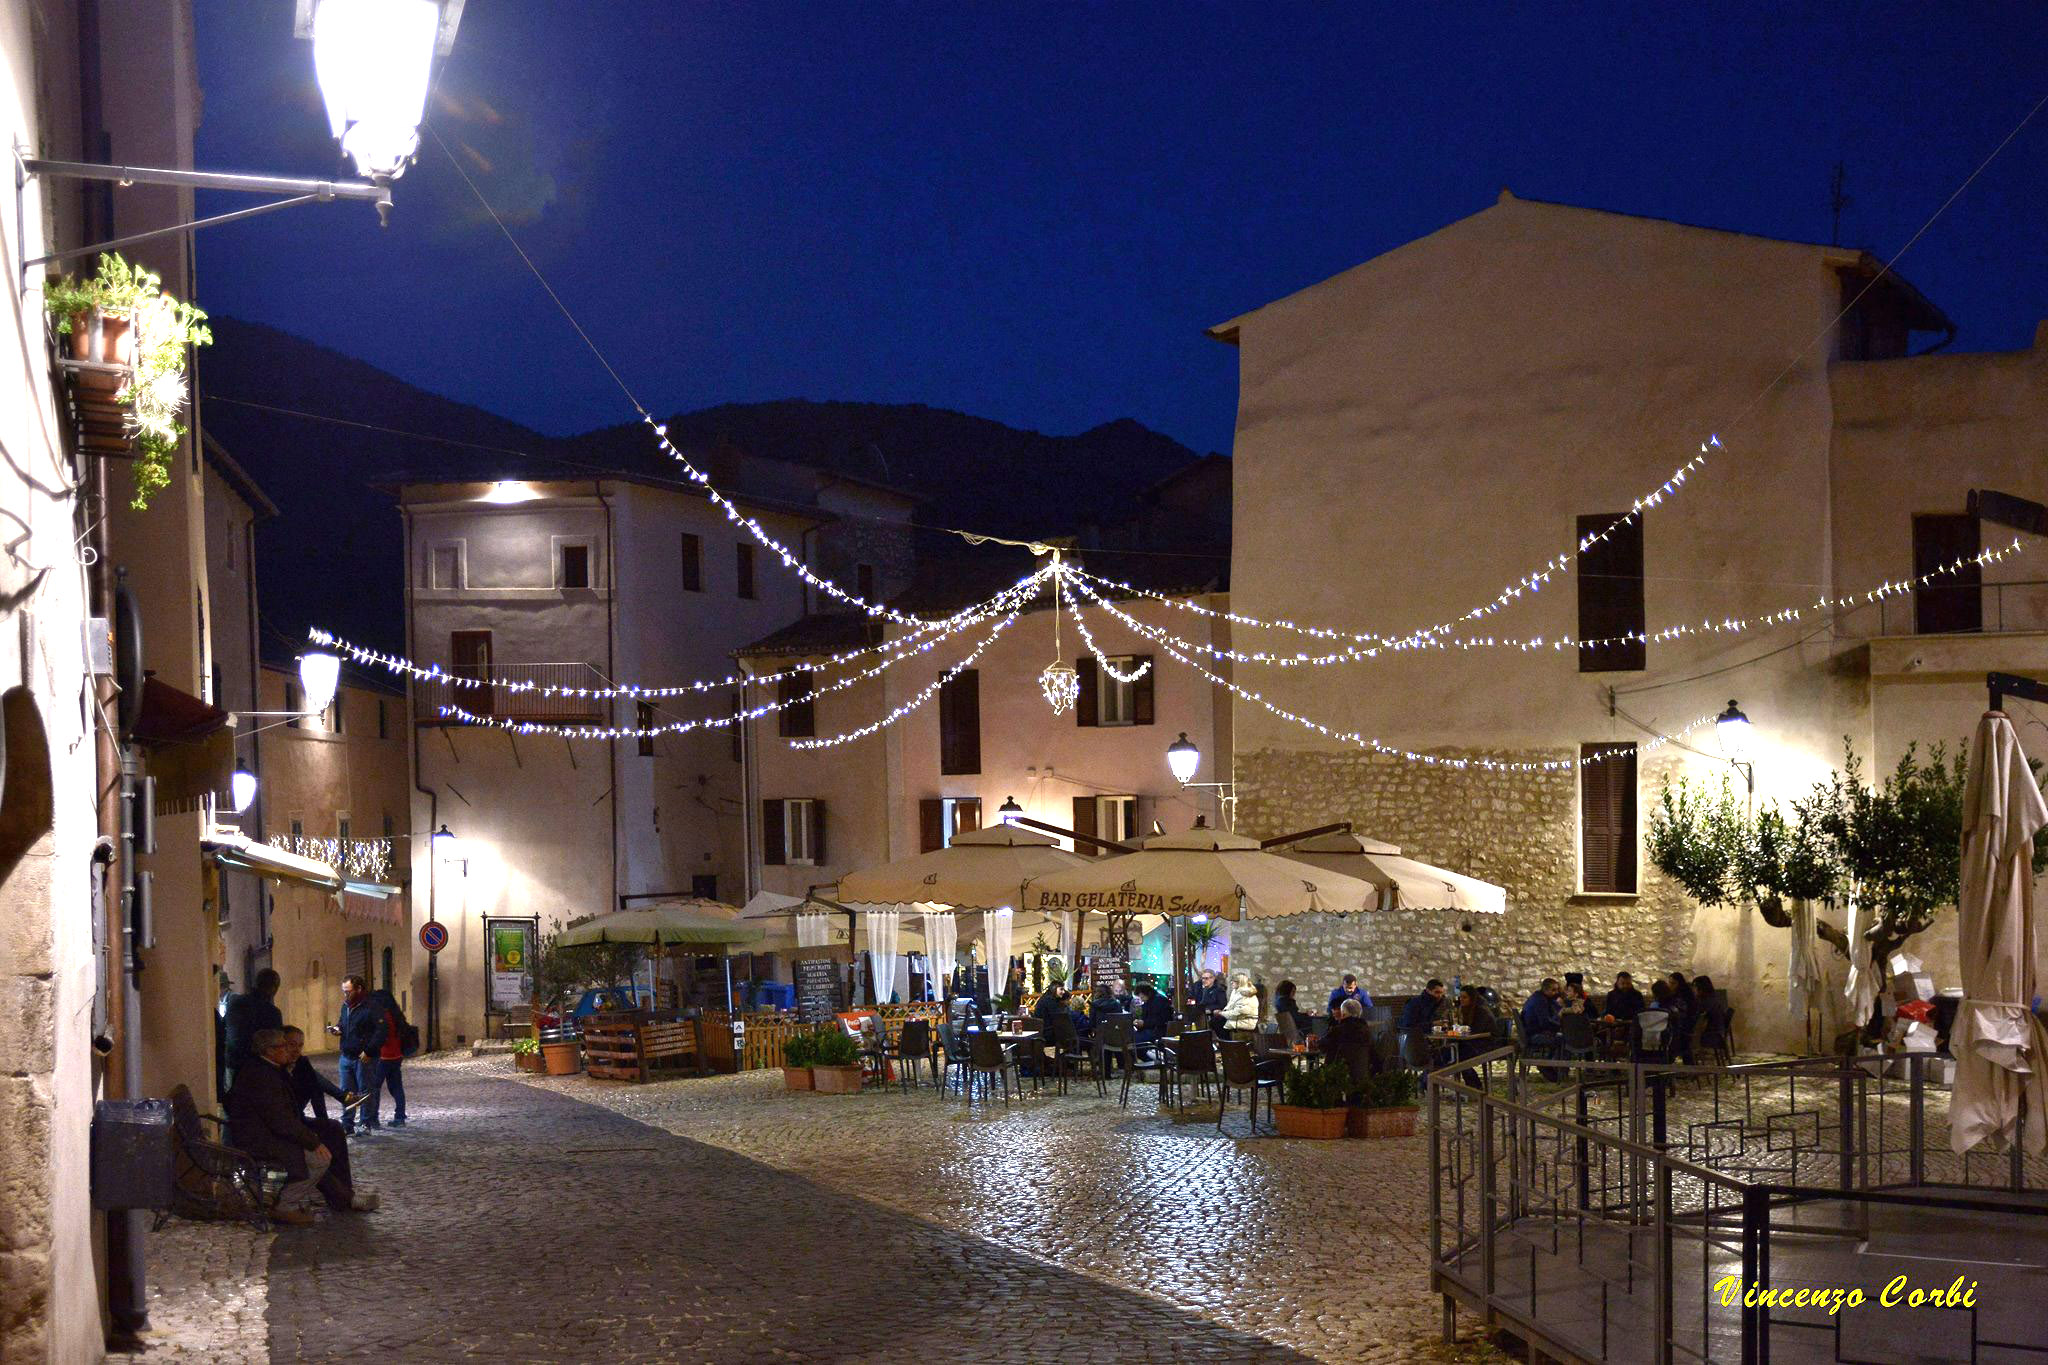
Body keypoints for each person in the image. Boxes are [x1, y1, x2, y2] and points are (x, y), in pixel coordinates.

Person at [225, 1028, 340, 1226]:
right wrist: (312, 1142)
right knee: (319, 1159)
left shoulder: (266, 1069)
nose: (289, 1050)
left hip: (262, 1132)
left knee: (328, 1137)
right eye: (284, 1046)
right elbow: (280, 1120)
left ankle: (339, 1195)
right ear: (270, 1051)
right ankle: (286, 1206)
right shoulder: (263, 1076)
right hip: (259, 1138)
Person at [278, 1027, 378, 1213]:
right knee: (316, 1154)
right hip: (283, 1128)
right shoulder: (275, 1070)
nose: (296, 1050)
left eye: (300, 1045)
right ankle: (344, 1199)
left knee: (333, 1129)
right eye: (291, 1045)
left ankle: (346, 1190)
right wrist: (313, 1139)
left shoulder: (301, 1064)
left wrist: (322, 1123)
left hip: (296, 1121)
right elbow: (280, 1118)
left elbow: (315, 1090)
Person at [335, 976, 388, 1136]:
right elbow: (342, 1023)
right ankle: (347, 1124)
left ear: (359, 989)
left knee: (365, 1091)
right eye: (344, 992)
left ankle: (366, 1123)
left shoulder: (372, 1007)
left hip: (364, 1057)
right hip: (346, 1055)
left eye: (348, 992)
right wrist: (337, 1029)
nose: (345, 995)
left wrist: (369, 1051)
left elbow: (381, 1031)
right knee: (346, 1091)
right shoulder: (346, 1006)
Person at [221, 969, 283, 1093]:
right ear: (274, 988)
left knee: (232, 1099)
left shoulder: (235, 1002)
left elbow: (224, 1026)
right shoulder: (272, 1012)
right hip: (256, 1065)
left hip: (232, 1060)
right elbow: (275, 1042)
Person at [1321, 997, 1379, 1098]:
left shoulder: (1337, 1031)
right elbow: (1374, 1055)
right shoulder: (1367, 1033)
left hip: (1338, 1075)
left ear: (1343, 1014)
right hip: (1362, 1074)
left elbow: (1322, 1046)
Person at [1520, 978, 1564, 1056]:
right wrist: (1561, 1026)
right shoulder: (1540, 1001)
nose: (1556, 992)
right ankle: (1552, 1065)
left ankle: (1550, 1064)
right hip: (1533, 1035)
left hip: (1531, 1033)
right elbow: (1544, 1023)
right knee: (1564, 1039)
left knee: (1561, 1036)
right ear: (1545, 990)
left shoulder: (1539, 997)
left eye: (1557, 990)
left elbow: (1557, 1008)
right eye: (1553, 990)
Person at [1219, 971, 1261, 1040]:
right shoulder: (1236, 992)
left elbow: (1238, 1012)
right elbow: (1230, 1006)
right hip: (1237, 1025)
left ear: (1240, 982)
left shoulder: (1246, 995)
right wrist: (1224, 1012)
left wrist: (1222, 1013)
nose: (1231, 982)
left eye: (1234, 981)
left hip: (1243, 1028)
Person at [1134, 981, 1174, 1047]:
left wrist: (1144, 1023)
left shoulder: (1160, 1000)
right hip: (1150, 1031)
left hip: (1158, 1032)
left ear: (1148, 993)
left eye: (1142, 997)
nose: (1141, 1000)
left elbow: (1163, 1020)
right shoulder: (1149, 1001)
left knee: (1134, 1040)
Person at [1188, 968, 1228, 1033]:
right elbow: (1191, 998)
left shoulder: (1219, 990)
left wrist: (1210, 1009)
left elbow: (1222, 1004)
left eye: (1206, 978)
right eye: (1203, 978)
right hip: (1197, 1014)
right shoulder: (1197, 987)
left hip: (1212, 1017)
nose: (1204, 980)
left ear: (1213, 978)